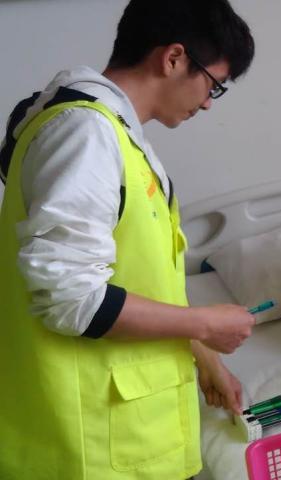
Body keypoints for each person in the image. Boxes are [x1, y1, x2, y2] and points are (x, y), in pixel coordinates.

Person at [0, 1, 256, 478]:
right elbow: (72, 298)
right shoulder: (85, 134)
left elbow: (137, 276)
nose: (207, 103)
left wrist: (203, 356)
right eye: (214, 85)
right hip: (94, 443)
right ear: (174, 58)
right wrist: (204, 324)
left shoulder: (108, 133)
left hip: (125, 425)